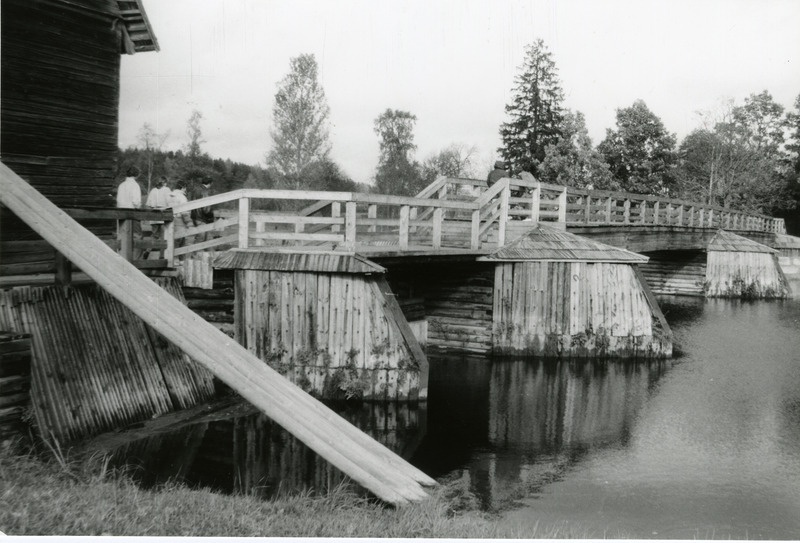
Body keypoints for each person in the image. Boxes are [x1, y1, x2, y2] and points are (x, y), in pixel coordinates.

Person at [116, 166, 143, 259]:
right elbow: (136, 202)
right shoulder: (135, 185)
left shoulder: (121, 185)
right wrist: (138, 207)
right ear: (136, 175)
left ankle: (121, 258)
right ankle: (135, 261)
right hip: (133, 214)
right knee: (137, 237)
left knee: (122, 237)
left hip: (121, 214)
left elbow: (118, 201)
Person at [145, 176, 171, 259]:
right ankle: (162, 255)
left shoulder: (153, 191)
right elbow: (170, 202)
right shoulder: (166, 190)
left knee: (154, 235)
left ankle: (148, 250)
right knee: (164, 236)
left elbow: (148, 204)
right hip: (163, 214)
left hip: (154, 214)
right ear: (164, 183)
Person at [168, 179, 193, 247]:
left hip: (169, 219)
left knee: (171, 240)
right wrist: (189, 222)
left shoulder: (169, 195)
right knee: (180, 239)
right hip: (179, 220)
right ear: (183, 187)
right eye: (185, 188)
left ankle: (171, 256)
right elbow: (184, 211)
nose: (185, 190)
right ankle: (179, 257)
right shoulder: (182, 197)